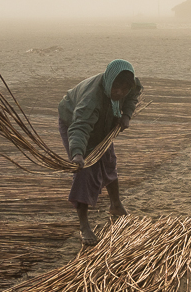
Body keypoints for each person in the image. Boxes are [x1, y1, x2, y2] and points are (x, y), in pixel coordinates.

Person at [58, 59, 142, 244]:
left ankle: (116, 205)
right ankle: (84, 226)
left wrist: (126, 114)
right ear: (109, 80)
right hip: (75, 122)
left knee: (108, 161)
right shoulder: (91, 99)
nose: (119, 92)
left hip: (103, 122)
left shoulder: (128, 87)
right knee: (85, 170)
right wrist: (78, 153)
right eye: (116, 88)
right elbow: (80, 126)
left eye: (124, 89)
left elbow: (134, 94)